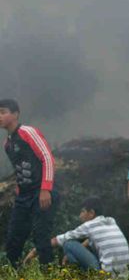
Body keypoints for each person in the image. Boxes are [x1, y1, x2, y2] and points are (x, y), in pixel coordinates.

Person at [0, 99, 59, 267]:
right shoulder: (7, 144)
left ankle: (48, 273)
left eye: (3, 112)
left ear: (15, 114)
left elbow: (47, 158)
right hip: (23, 197)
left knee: (41, 237)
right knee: (14, 238)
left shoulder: (28, 132)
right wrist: (19, 190)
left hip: (41, 192)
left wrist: (45, 189)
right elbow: (19, 169)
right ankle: (13, 273)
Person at [52, 196, 129, 274]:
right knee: (71, 254)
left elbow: (63, 238)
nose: (80, 216)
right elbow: (91, 239)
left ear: (91, 213)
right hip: (125, 274)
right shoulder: (111, 221)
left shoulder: (90, 225)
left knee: (68, 244)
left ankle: (81, 275)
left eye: (82, 211)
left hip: (106, 276)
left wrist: (46, 244)